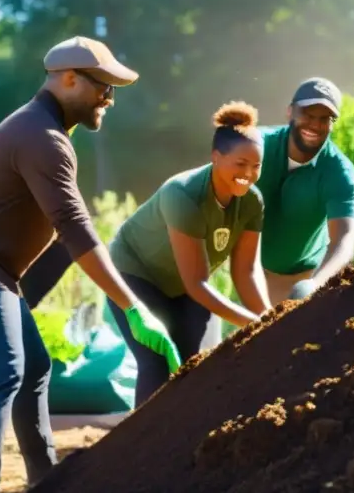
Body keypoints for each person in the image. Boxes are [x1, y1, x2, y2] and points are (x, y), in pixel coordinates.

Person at [0, 36, 179, 493]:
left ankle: (43, 482)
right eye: (103, 86)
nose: (110, 98)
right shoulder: (41, 136)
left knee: (33, 367)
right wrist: (134, 307)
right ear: (70, 79)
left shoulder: (44, 131)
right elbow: (76, 230)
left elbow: (61, 235)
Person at [107, 101, 271, 406]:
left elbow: (246, 272)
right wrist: (252, 323)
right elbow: (196, 283)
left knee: (202, 366)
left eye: (256, 166)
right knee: (157, 360)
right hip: (136, 277)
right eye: (240, 164)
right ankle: (142, 451)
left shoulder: (252, 202)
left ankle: (193, 451)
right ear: (216, 157)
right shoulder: (182, 194)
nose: (248, 174)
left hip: (186, 287)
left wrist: (269, 317)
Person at [257, 78, 354, 304]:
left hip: (294, 278)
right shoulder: (256, 146)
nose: (315, 124)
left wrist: (315, 285)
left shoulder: (339, 173)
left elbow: (344, 238)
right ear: (290, 112)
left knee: (279, 338)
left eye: (325, 118)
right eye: (308, 114)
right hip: (241, 266)